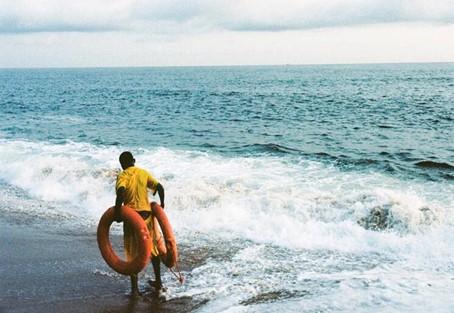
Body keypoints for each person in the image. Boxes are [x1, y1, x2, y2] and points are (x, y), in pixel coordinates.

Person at [114, 151, 165, 296]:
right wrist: (162, 204)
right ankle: (158, 282)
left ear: (122, 164)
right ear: (134, 160)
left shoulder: (123, 175)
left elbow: (121, 191)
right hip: (147, 216)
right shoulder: (143, 173)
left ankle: (135, 290)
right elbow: (160, 187)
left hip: (132, 218)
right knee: (153, 248)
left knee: (131, 252)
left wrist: (118, 213)